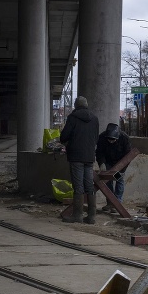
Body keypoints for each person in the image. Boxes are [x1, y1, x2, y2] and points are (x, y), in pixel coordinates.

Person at [59, 96, 99, 224]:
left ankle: (77, 215)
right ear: (86, 105)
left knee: (78, 186)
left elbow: (64, 136)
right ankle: (92, 216)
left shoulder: (73, 117)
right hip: (89, 156)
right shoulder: (94, 118)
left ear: (76, 105)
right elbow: (96, 138)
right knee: (89, 185)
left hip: (76, 156)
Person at [95, 122, 132, 211]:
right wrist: (102, 163)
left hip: (120, 163)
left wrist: (122, 169)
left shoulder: (124, 138)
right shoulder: (102, 137)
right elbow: (99, 152)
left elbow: (128, 156)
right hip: (108, 162)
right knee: (108, 182)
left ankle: (117, 203)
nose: (111, 141)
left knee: (119, 180)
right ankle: (110, 203)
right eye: (109, 140)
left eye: (113, 140)